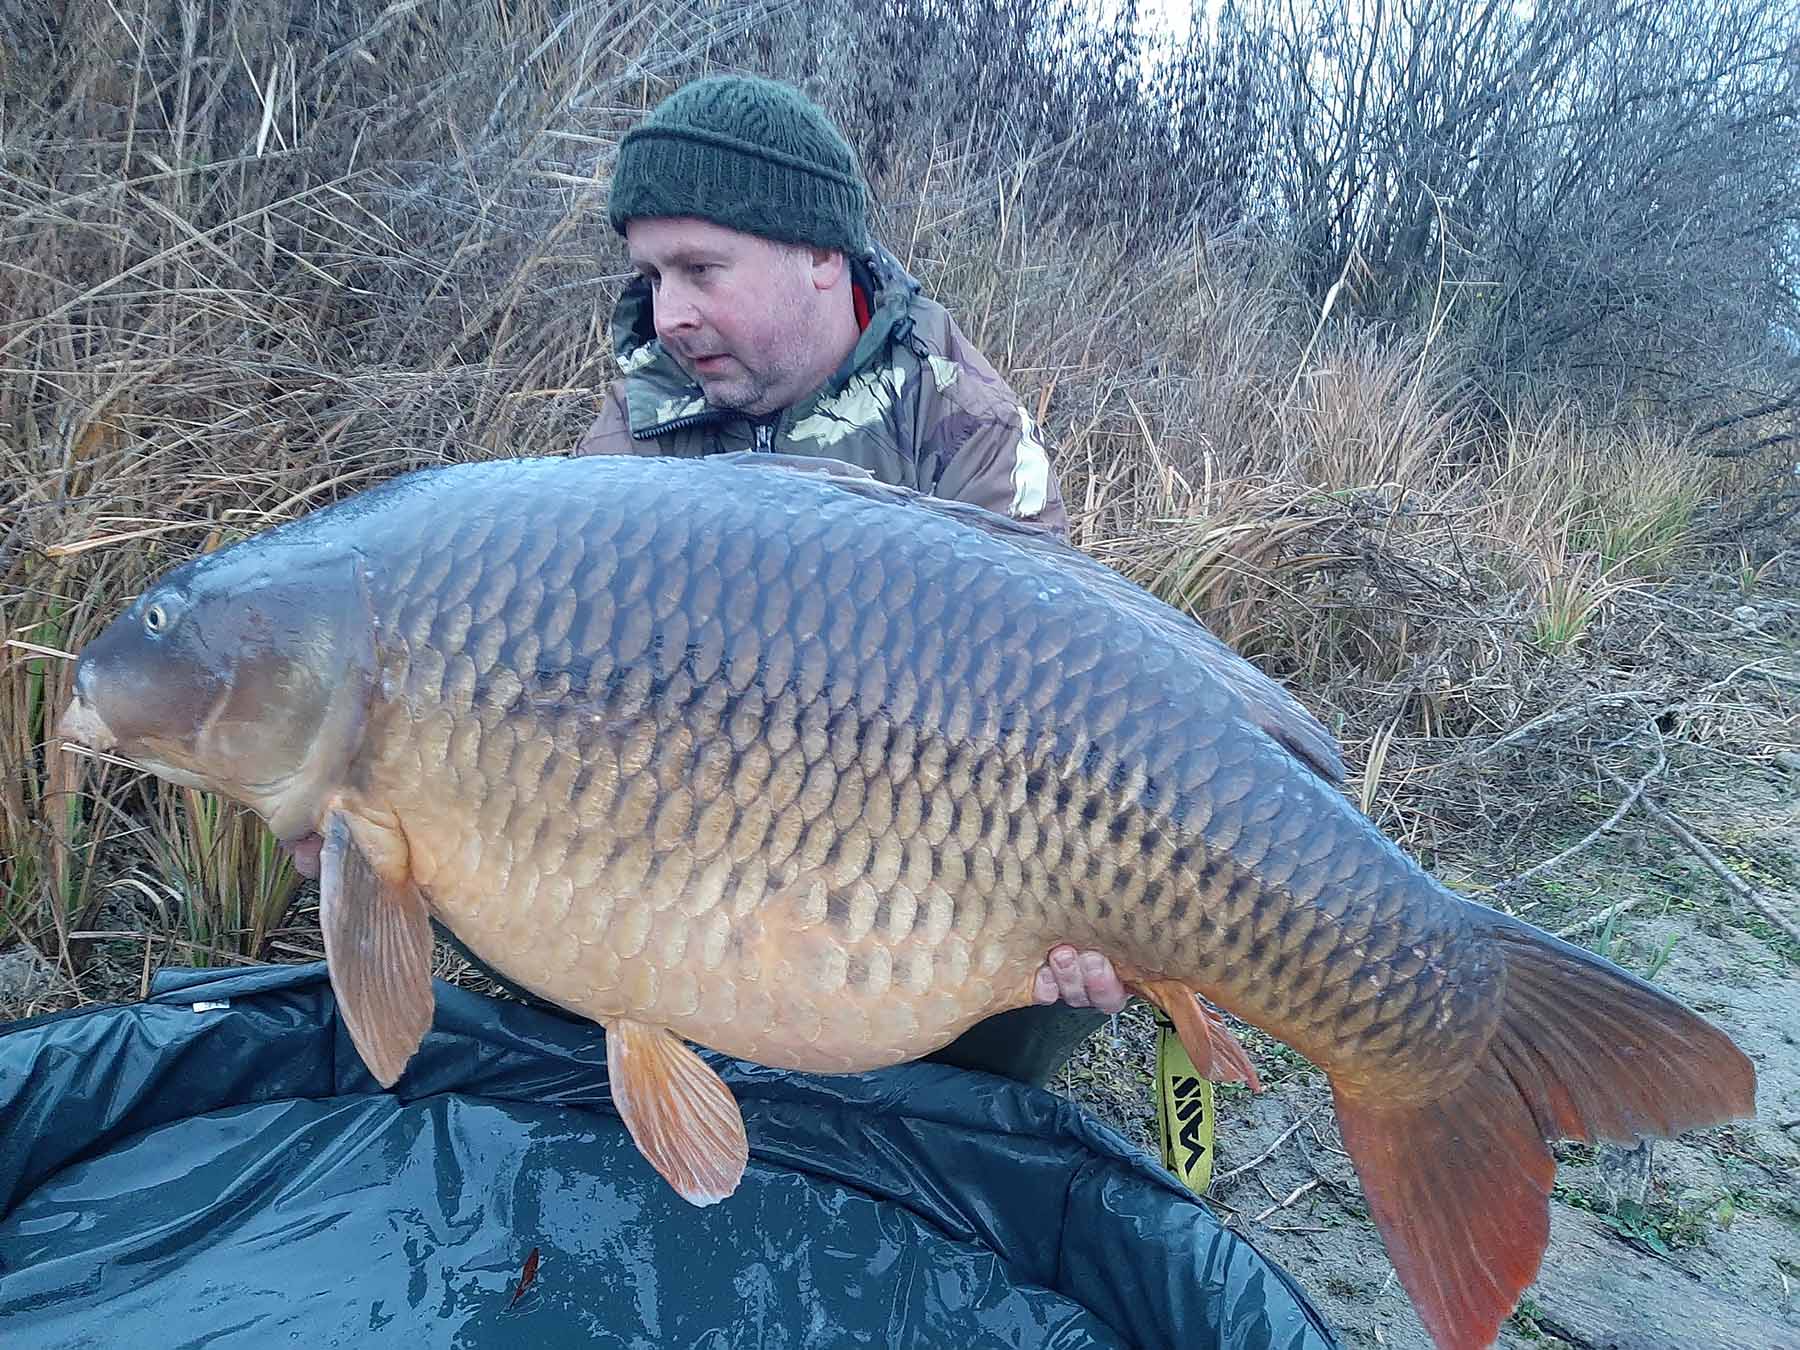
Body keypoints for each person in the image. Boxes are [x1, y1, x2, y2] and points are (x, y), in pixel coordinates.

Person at [576, 73, 1130, 1086]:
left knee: (1059, 975)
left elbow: (1062, 695)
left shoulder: (963, 425)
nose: (671, 316)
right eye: (652, 276)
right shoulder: (636, 426)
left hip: (933, 838)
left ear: (825, 256)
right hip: (705, 824)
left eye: (702, 268)